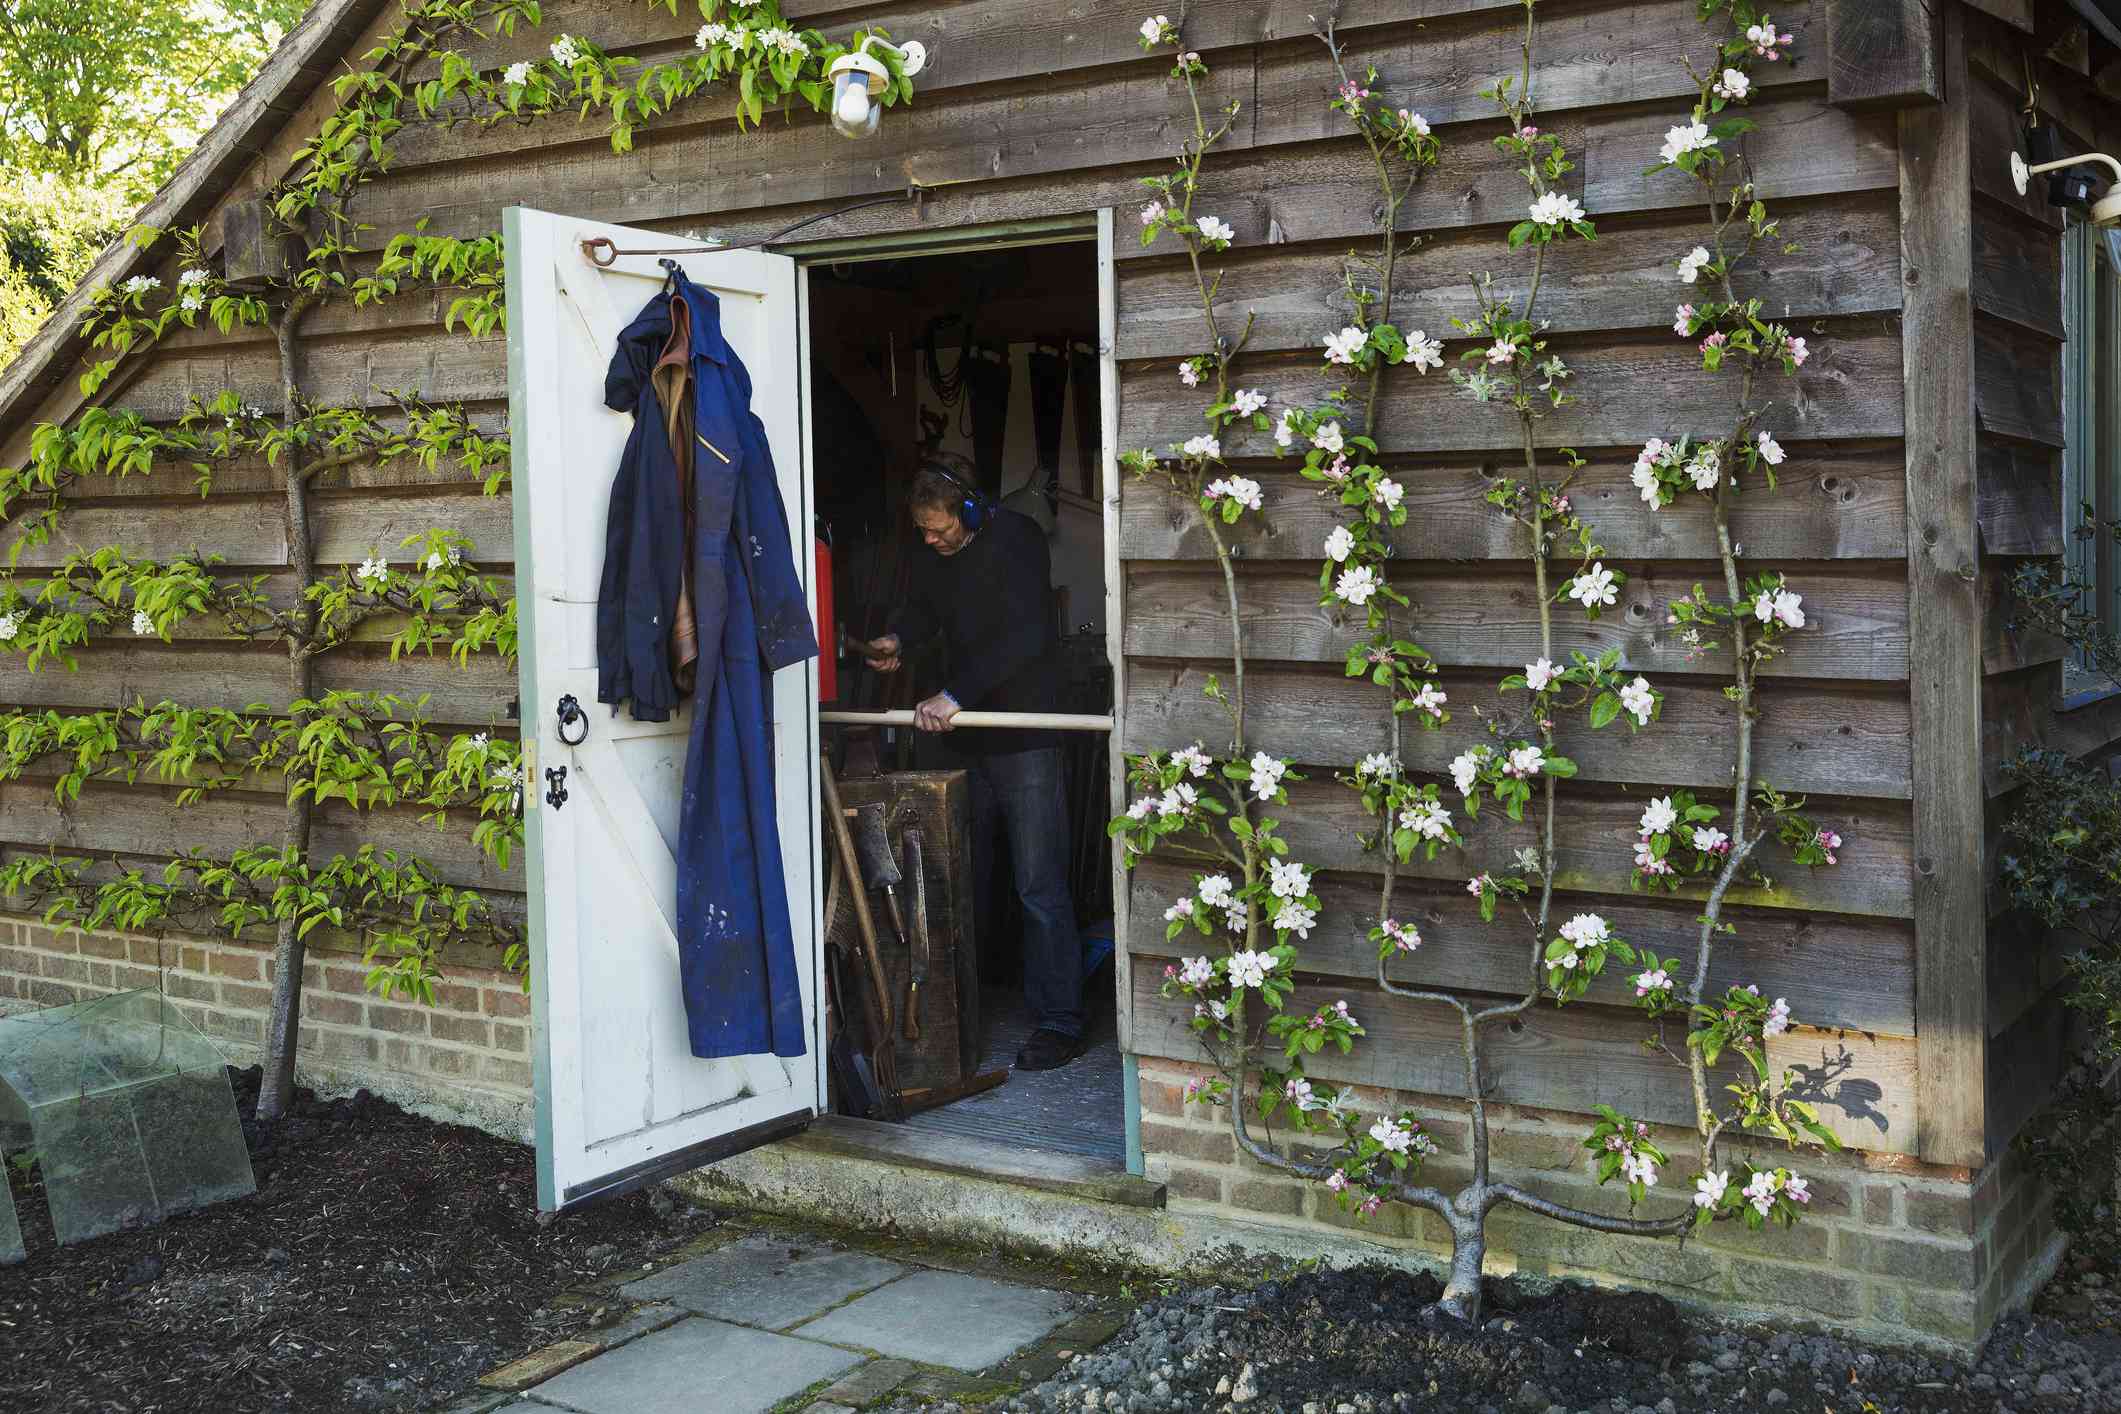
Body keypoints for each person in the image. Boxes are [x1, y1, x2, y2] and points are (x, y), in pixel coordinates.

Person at [850, 462, 1087, 1071]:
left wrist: (955, 696)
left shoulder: (1018, 540)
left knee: (1039, 886)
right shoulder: (938, 556)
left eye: (938, 529)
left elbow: (1026, 636)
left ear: (971, 511)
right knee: (961, 880)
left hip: (1026, 738)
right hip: (966, 744)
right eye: (922, 532)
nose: (931, 541)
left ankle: (1060, 1021)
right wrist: (897, 641)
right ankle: (964, 1012)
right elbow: (925, 613)